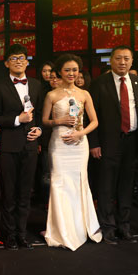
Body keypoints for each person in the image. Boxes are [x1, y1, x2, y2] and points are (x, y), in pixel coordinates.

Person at [41, 55, 102, 250]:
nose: (71, 73)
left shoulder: (84, 94)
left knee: (79, 182)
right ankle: (60, 229)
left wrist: (80, 134)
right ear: (60, 72)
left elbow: (95, 121)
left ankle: (80, 227)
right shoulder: (51, 95)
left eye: (75, 70)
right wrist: (59, 121)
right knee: (59, 183)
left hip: (79, 145)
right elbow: (44, 121)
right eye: (67, 70)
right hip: (59, 144)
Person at [88, 45, 138, 244]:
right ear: (111, 60)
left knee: (126, 186)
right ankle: (108, 227)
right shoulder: (99, 83)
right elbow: (92, 116)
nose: (122, 62)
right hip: (107, 142)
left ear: (132, 61)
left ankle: (124, 226)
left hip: (131, 141)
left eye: (126, 59)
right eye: (118, 58)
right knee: (106, 186)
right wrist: (94, 143)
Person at [0, 44, 44, 250]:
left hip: (30, 145)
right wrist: (17, 119)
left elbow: (40, 115)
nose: (18, 61)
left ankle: (22, 234)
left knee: (25, 191)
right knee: (9, 192)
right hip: (9, 146)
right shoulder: (0, 86)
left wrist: (39, 130)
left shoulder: (36, 85)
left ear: (27, 62)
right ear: (6, 63)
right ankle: (10, 235)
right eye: (14, 58)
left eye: (21, 58)